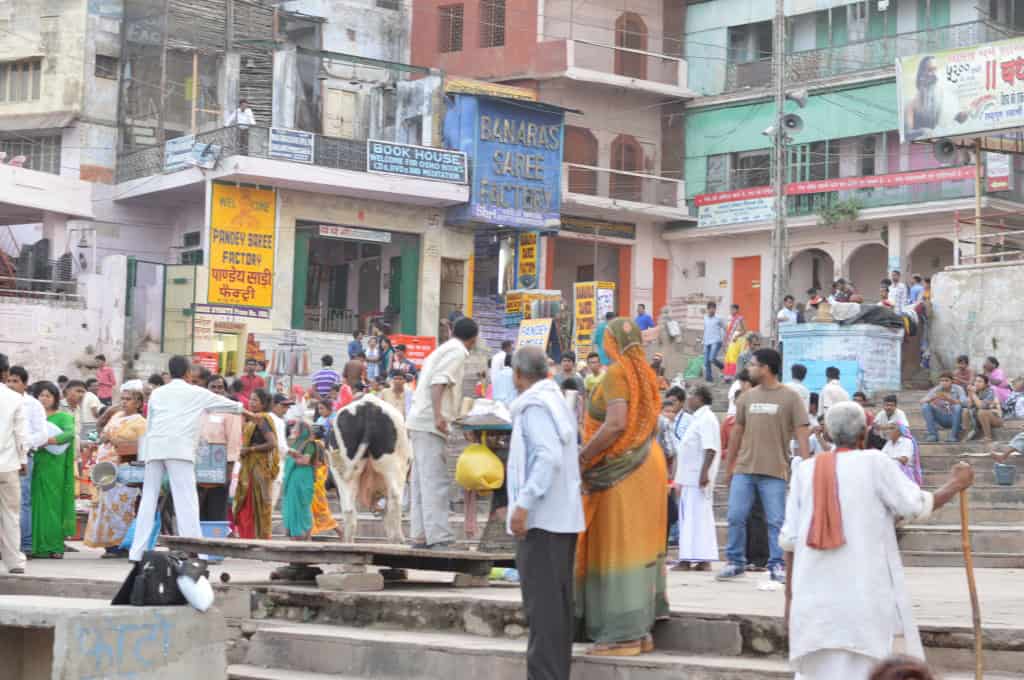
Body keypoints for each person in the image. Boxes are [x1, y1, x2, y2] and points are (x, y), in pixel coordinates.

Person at [781, 401, 975, 680]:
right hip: (863, 599)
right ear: (864, 434)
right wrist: (955, 484)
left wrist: (789, 601)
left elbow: (789, 542)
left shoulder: (805, 470)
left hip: (812, 601)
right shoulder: (875, 462)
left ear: (828, 434)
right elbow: (915, 506)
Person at [576, 318, 668, 656]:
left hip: (623, 468)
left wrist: (583, 456)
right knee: (640, 544)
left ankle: (622, 635)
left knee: (619, 547)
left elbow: (615, 425)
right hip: (647, 459)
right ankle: (641, 631)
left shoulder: (616, 374)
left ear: (611, 342)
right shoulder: (643, 372)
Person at [506, 345, 585, 680]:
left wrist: (524, 503)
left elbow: (547, 456)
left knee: (543, 611)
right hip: (561, 520)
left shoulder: (534, 406)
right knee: (555, 610)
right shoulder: (555, 400)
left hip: (541, 522)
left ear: (518, 375)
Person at [129, 356, 248, 562]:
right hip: (179, 449)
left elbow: (152, 422)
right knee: (187, 500)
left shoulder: (157, 393)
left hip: (155, 447)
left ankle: (136, 552)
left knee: (149, 498)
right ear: (187, 373)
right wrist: (250, 414)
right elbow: (231, 406)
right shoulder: (196, 392)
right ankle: (195, 549)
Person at [719, 348, 809, 583]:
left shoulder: (790, 397)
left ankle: (777, 564)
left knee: (775, 520)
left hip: (775, 470)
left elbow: (802, 432)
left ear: (766, 368)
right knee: (736, 516)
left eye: (753, 364)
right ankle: (735, 561)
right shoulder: (747, 397)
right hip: (744, 469)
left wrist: (808, 466)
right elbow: (736, 434)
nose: (749, 368)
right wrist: (729, 468)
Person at [407, 317, 478, 550]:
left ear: (451, 331)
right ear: (474, 338)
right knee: (434, 480)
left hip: (419, 420)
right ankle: (439, 536)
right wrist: (438, 416)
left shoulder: (443, 348)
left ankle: (420, 534)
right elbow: (439, 383)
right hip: (430, 422)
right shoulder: (457, 352)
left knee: (420, 480)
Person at [83, 388, 146, 555]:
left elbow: (142, 448)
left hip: (124, 470)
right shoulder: (116, 416)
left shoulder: (141, 422)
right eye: (123, 398)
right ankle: (108, 544)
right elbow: (97, 432)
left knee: (121, 507)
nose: (124, 402)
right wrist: (90, 443)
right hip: (103, 469)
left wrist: (114, 440)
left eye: (129, 399)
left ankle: (121, 544)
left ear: (139, 403)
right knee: (104, 507)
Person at [674, 386, 720, 571]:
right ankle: (698, 557)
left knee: (695, 518)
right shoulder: (698, 419)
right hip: (690, 477)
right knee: (694, 518)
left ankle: (692, 558)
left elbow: (710, 449)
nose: (688, 399)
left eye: (691, 395)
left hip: (696, 477)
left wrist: (703, 474)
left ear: (700, 398)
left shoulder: (706, 419)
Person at [30, 381, 75, 560]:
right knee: (35, 503)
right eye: (41, 395)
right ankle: (35, 545)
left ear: (56, 398)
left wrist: (47, 441)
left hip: (54, 463)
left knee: (53, 505)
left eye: (48, 395)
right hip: (36, 460)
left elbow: (69, 433)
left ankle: (55, 545)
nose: (44, 398)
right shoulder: (34, 416)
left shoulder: (63, 416)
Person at [5, 368, 46, 556]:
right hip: (4, 457)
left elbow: (42, 434)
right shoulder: (4, 400)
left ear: (24, 384)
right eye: (9, 381)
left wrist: (23, 445)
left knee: (22, 502)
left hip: (23, 458)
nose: (11, 385)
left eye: (15, 381)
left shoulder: (33, 405)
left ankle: (25, 545)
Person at [233, 389, 279, 540]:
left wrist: (250, 449)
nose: (251, 403)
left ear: (264, 404)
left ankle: (261, 538)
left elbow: (272, 443)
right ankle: (249, 536)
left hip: (259, 467)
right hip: (249, 466)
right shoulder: (252, 420)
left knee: (260, 503)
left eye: (255, 400)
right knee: (247, 503)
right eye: (250, 399)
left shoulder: (262, 419)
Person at [198, 375, 243, 522]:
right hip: (199, 465)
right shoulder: (200, 408)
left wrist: (229, 469)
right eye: (213, 387)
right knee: (198, 507)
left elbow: (234, 441)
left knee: (216, 508)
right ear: (207, 389)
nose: (216, 390)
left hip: (219, 466)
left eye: (220, 387)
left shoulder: (231, 410)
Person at [0, 355, 28, 573]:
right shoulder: (15, 399)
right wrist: (23, 460)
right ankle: (14, 562)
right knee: (10, 515)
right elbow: (21, 435)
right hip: (7, 466)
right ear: (6, 373)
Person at [281, 420, 324, 540]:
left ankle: (305, 535)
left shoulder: (308, 444)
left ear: (301, 431)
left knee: (303, 506)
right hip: (294, 478)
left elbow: (305, 461)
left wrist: (292, 457)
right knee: (293, 505)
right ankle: (295, 534)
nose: (293, 430)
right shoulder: (296, 444)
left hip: (303, 478)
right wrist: (293, 455)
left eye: (295, 428)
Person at [920, 372, 967, 443]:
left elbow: (964, 403)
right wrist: (932, 398)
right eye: (941, 381)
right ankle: (933, 435)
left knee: (957, 407)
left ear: (952, 381)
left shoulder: (958, 389)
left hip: (955, 418)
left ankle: (953, 436)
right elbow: (922, 401)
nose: (944, 383)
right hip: (942, 418)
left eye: (946, 380)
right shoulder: (937, 389)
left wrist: (949, 399)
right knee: (925, 406)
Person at [966, 374, 1002, 443]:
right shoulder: (976, 391)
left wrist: (973, 394)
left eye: (980, 381)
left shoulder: (990, 392)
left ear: (985, 384)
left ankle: (988, 437)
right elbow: (969, 406)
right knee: (965, 411)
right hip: (979, 420)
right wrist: (969, 393)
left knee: (982, 412)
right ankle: (968, 433)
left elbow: (981, 406)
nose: (977, 383)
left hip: (996, 419)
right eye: (976, 381)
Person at [722, 304, 747, 382]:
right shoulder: (730, 319)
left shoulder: (740, 318)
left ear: (737, 310)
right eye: (731, 309)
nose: (731, 311)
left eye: (733, 309)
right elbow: (727, 330)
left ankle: (733, 376)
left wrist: (737, 336)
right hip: (730, 339)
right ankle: (727, 376)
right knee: (728, 358)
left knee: (734, 358)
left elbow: (744, 330)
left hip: (737, 339)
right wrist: (725, 340)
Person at [703, 302, 727, 382]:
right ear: (708, 309)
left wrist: (725, 340)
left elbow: (725, 328)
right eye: (711, 309)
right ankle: (709, 379)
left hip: (716, 341)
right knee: (706, 362)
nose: (712, 310)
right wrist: (703, 340)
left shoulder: (719, 318)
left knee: (712, 359)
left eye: (714, 309)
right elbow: (706, 329)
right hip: (707, 342)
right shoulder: (705, 317)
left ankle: (723, 367)